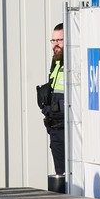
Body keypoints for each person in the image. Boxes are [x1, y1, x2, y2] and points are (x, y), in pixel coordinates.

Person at [40, 23, 65, 175]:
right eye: (53, 40)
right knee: (60, 174)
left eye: (59, 40)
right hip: (54, 128)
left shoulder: (73, 63)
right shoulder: (55, 63)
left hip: (67, 130)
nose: (56, 44)